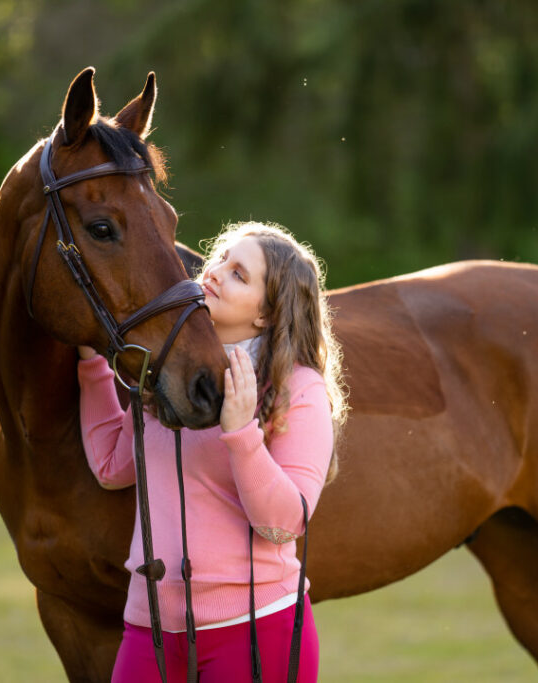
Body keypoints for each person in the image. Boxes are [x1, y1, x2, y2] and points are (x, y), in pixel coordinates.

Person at [77, 221, 347, 682]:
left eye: (239, 274)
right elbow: (111, 467)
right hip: (150, 627)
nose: (216, 272)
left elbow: (284, 524)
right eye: (222, 259)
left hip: (255, 629)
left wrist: (241, 432)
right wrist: (92, 363)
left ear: (266, 313)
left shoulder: (297, 388)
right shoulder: (167, 373)